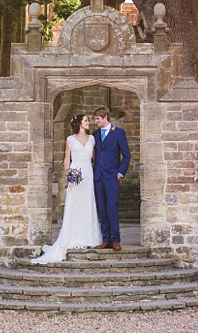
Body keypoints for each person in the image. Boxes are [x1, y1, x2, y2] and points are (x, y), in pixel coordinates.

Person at [30, 113, 102, 264]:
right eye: (86, 121)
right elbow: (67, 159)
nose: (88, 123)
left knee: (87, 205)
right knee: (74, 206)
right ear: (79, 124)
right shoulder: (70, 139)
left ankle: (88, 237)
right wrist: (69, 177)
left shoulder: (92, 139)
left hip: (88, 174)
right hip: (76, 173)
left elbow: (95, 159)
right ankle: (73, 238)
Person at [92, 106, 131, 250]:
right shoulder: (95, 134)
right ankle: (106, 238)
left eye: (97, 119)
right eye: (95, 119)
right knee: (101, 208)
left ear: (105, 117)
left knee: (112, 206)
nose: (95, 122)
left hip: (112, 176)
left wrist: (120, 172)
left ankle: (116, 239)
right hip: (98, 176)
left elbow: (126, 155)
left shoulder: (119, 133)